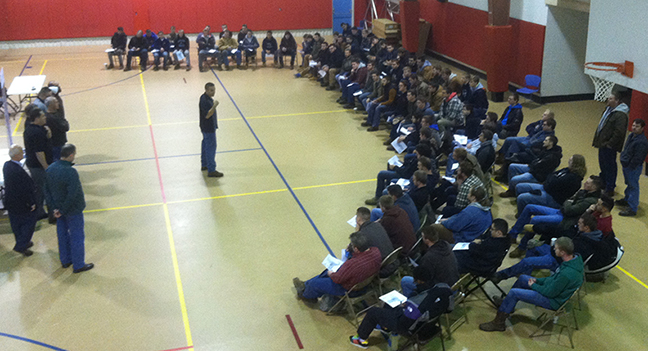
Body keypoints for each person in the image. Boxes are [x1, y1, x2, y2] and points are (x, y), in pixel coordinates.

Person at [479, 236, 583, 332]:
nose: (553, 250)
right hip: (553, 292)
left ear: (563, 252)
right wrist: (538, 281)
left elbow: (550, 293)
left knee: (515, 293)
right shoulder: (573, 261)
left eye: (555, 248)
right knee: (523, 278)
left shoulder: (566, 274)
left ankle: (499, 323)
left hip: (552, 301)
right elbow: (553, 279)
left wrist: (533, 285)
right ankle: (507, 304)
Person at [349, 272, 452, 349]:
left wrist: (404, 308)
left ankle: (361, 339)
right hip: (428, 323)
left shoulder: (417, 304)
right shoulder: (444, 289)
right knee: (388, 305)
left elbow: (405, 324)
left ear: (420, 281)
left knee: (373, 312)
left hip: (410, 327)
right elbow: (449, 309)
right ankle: (385, 327)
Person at [508, 175, 602, 258]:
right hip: (560, 211)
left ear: (594, 187)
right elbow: (569, 201)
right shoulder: (583, 192)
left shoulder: (591, 200)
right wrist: (568, 203)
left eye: (588, 183)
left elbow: (570, 210)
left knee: (536, 220)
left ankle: (522, 247)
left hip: (565, 219)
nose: (585, 183)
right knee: (529, 208)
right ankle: (513, 234)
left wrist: (568, 203)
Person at [44, 144, 94, 273]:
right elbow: (72, 194)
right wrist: (63, 210)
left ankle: (65, 260)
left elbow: (46, 191)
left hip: (58, 211)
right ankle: (78, 264)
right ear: (71, 155)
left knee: (62, 235)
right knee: (76, 236)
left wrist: (55, 209)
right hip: (72, 210)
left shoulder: (50, 169)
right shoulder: (70, 172)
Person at [293, 232, 381, 301]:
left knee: (317, 282)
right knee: (325, 274)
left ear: (356, 249)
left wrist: (330, 273)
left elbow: (337, 279)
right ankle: (305, 285)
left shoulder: (353, 264)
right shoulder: (376, 252)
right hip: (364, 284)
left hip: (349, 289)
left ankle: (305, 294)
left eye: (352, 245)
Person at [514, 154, 586, 214]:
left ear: (575, 164)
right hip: (546, 188)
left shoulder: (574, 179)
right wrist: (550, 180)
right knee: (520, 187)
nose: (568, 162)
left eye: (570, 161)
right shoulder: (567, 170)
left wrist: (550, 180)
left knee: (522, 198)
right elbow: (551, 175)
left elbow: (553, 183)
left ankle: (522, 215)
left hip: (553, 198)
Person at [401, 225, 459, 297]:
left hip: (441, 290)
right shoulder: (447, 246)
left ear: (427, 240)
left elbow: (424, 281)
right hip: (454, 285)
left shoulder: (429, 257)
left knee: (405, 281)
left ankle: (411, 303)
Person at [3, 145, 38, 257]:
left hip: (10, 201)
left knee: (16, 224)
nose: (23, 155)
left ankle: (22, 242)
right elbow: (24, 189)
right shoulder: (18, 171)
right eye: (21, 153)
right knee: (29, 222)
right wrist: (31, 202)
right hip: (21, 202)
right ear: (17, 155)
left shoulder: (7, 165)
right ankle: (21, 245)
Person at [593, 91, 629, 196]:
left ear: (617, 101)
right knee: (603, 164)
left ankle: (610, 187)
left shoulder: (620, 115)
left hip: (609, 146)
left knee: (610, 166)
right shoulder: (608, 109)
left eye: (611, 99)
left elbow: (619, 132)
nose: (608, 100)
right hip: (603, 143)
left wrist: (610, 144)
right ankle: (603, 182)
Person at [24, 108, 53, 222]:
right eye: (42, 116)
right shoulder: (37, 133)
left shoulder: (30, 129)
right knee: (46, 189)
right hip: (39, 166)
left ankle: (39, 212)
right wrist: (46, 167)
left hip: (33, 164)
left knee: (40, 189)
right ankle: (52, 215)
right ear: (36, 119)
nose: (45, 117)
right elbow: (39, 152)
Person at [616, 119, 648, 216]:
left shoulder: (642, 142)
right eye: (633, 125)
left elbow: (638, 158)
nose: (634, 127)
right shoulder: (631, 135)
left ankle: (632, 208)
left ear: (642, 128)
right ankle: (627, 199)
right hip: (627, 165)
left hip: (632, 167)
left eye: (637, 126)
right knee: (629, 184)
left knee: (633, 186)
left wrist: (630, 166)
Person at [353, 207, 396, 277]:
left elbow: (356, 251)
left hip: (383, 269)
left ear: (358, 219)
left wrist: (357, 232)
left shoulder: (362, 234)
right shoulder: (377, 225)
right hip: (393, 260)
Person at [199, 83, 223, 178]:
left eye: (214, 90)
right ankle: (211, 170)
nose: (213, 92)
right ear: (206, 90)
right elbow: (208, 115)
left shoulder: (204, 97)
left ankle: (204, 164)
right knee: (211, 147)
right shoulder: (205, 101)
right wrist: (214, 106)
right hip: (208, 128)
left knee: (205, 144)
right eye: (211, 90)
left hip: (205, 126)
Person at [44, 96, 69, 161]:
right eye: (56, 102)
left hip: (59, 143)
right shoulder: (51, 118)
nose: (58, 103)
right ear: (50, 105)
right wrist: (65, 122)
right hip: (56, 144)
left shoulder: (56, 114)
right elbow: (65, 127)